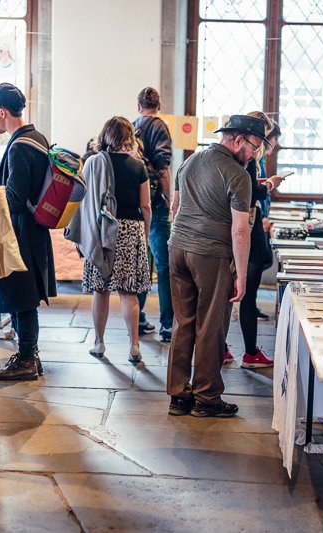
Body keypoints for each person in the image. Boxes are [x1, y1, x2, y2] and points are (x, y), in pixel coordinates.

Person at [166, 114, 259, 418]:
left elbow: (175, 207)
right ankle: (206, 398)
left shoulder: (190, 161)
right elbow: (240, 230)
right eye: (254, 146)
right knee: (211, 325)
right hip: (210, 254)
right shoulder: (237, 174)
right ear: (238, 139)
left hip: (178, 248)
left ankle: (179, 395)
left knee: (183, 322)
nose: (254, 154)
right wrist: (242, 275)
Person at [0, 82, 56, 381]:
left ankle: (26, 358)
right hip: (33, 229)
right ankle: (30, 355)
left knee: (21, 298)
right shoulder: (37, 137)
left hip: (21, 231)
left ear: (2, 112)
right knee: (25, 297)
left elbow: (14, 198)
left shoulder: (19, 146)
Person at [71, 117, 151, 362]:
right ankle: (134, 346)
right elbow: (145, 206)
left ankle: (99, 343)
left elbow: (81, 201)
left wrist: (80, 237)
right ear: (128, 137)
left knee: (101, 290)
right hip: (130, 230)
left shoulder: (92, 163)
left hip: (101, 230)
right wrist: (145, 235)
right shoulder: (138, 166)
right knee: (129, 292)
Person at [233, 111, 284, 368]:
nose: (264, 143)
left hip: (239, 226)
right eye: (263, 137)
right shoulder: (250, 158)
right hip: (247, 228)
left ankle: (226, 349)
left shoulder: (236, 158)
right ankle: (250, 353)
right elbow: (252, 192)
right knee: (247, 295)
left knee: (236, 294)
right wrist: (270, 185)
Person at [133, 87, 174, 342]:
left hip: (135, 204)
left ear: (138, 106)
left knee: (141, 263)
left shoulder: (131, 127)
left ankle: (137, 318)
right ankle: (167, 324)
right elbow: (163, 169)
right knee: (165, 264)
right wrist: (169, 200)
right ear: (159, 106)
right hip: (155, 202)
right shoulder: (160, 126)